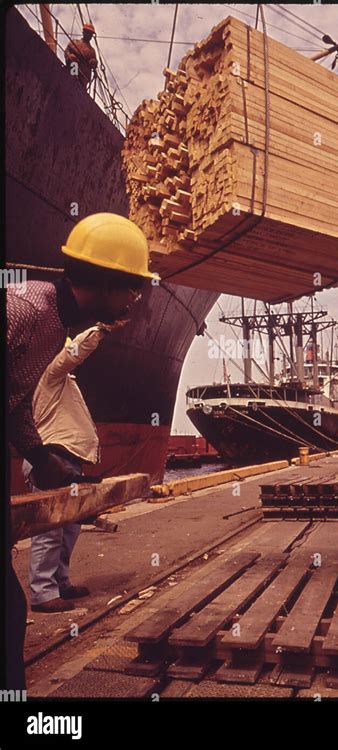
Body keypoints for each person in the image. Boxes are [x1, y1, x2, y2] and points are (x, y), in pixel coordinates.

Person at [6, 212, 155, 689]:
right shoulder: (23, 309)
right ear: (103, 283)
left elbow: (11, 401)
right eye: (131, 286)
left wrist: (36, 453)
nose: (136, 297)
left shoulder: (52, 325)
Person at [24, 324, 125, 613]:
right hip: (52, 462)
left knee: (69, 527)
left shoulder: (59, 381)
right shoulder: (49, 373)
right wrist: (102, 328)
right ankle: (43, 594)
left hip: (66, 460)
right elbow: (72, 354)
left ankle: (60, 582)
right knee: (50, 528)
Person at [64, 23, 98, 89]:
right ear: (83, 32)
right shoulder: (75, 42)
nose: (89, 35)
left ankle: (81, 87)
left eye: (91, 34)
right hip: (73, 70)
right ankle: (73, 76)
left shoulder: (92, 50)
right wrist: (69, 56)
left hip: (84, 74)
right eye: (87, 32)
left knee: (82, 85)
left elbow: (94, 64)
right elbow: (67, 51)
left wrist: (94, 62)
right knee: (72, 58)